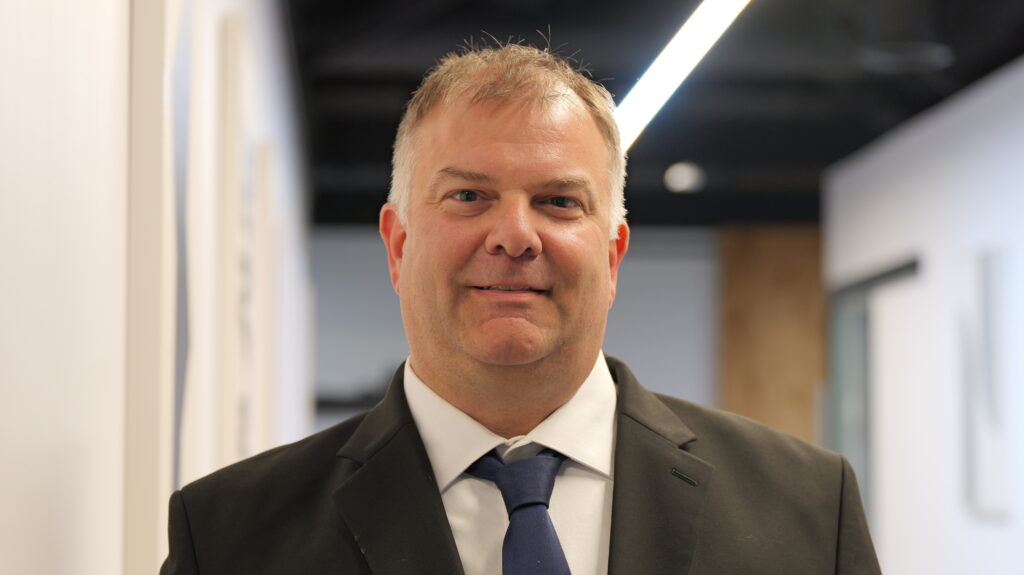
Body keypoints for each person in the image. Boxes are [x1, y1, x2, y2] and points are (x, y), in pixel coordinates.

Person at [161, 42, 881, 575]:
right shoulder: (231, 537)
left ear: (612, 255)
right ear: (398, 245)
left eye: (558, 201)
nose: (514, 235)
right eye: (469, 195)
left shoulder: (808, 511)